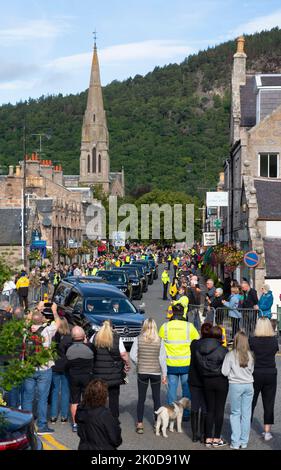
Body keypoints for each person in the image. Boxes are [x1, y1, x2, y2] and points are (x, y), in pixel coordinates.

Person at [22, 304, 61, 435]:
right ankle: (42, 425)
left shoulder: (25, 330)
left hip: (28, 366)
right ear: (42, 320)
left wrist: (37, 309)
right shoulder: (47, 331)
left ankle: (27, 425)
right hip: (44, 368)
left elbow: (26, 319)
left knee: (28, 397)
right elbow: (58, 323)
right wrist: (54, 311)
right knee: (42, 398)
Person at [159, 304, 200, 419]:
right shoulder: (189, 326)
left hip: (171, 364)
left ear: (172, 312)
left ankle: (173, 414)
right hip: (186, 364)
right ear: (183, 313)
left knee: (171, 391)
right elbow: (197, 342)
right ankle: (186, 414)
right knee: (186, 390)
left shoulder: (165, 326)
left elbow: (159, 343)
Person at [130, 318, 167, 434]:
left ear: (144, 326)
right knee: (156, 398)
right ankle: (157, 422)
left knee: (141, 398)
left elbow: (132, 354)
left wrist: (138, 362)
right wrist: (164, 374)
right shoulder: (159, 340)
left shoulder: (138, 339)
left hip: (142, 371)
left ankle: (140, 424)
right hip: (155, 371)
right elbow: (162, 359)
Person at [195, 325, 228, 447]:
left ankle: (208, 437)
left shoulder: (200, 347)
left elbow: (199, 364)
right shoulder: (223, 350)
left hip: (207, 380)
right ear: (219, 336)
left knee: (209, 409)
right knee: (219, 410)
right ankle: (216, 438)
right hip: (221, 380)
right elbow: (227, 366)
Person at [222, 331, 254, 450]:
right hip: (249, 384)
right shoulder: (250, 355)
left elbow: (224, 372)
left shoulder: (230, 355)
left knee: (235, 413)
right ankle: (244, 441)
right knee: (246, 414)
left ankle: (235, 442)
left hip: (236, 384)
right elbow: (251, 370)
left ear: (235, 341)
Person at [92, 320, 130, 419]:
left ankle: (98, 417)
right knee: (114, 397)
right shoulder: (117, 338)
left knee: (99, 397)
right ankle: (114, 418)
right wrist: (127, 364)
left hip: (98, 373)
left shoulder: (95, 337)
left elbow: (90, 349)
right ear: (112, 328)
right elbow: (123, 354)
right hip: (114, 373)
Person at [249, 318, 279, 442]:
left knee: (251, 401)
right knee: (269, 403)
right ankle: (267, 432)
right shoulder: (273, 341)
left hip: (257, 371)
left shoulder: (253, 340)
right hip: (270, 372)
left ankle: (245, 427)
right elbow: (274, 351)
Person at [76, 379, 122, 450]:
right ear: (104, 395)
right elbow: (116, 439)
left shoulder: (81, 410)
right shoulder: (105, 415)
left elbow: (80, 432)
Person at [66, 326, 95, 432]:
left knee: (75, 401)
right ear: (84, 336)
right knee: (87, 400)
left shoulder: (68, 348)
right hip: (87, 376)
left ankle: (75, 424)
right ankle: (88, 423)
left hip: (73, 376)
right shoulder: (90, 347)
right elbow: (94, 357)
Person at [189, 323, 212, 443]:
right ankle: (203, 434)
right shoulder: (212, 346)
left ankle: (194, 434)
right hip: (206, 378)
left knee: (194, 405)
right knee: (204, 406)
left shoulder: (194, 344)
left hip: (194, 378)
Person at [50, 318, 72, 424]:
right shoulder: (69, 338)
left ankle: (53, 416)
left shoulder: (54, 337)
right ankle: (64, 416)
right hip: (66, 366)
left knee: (54, 391)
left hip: (55, 366)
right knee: (65, 391)